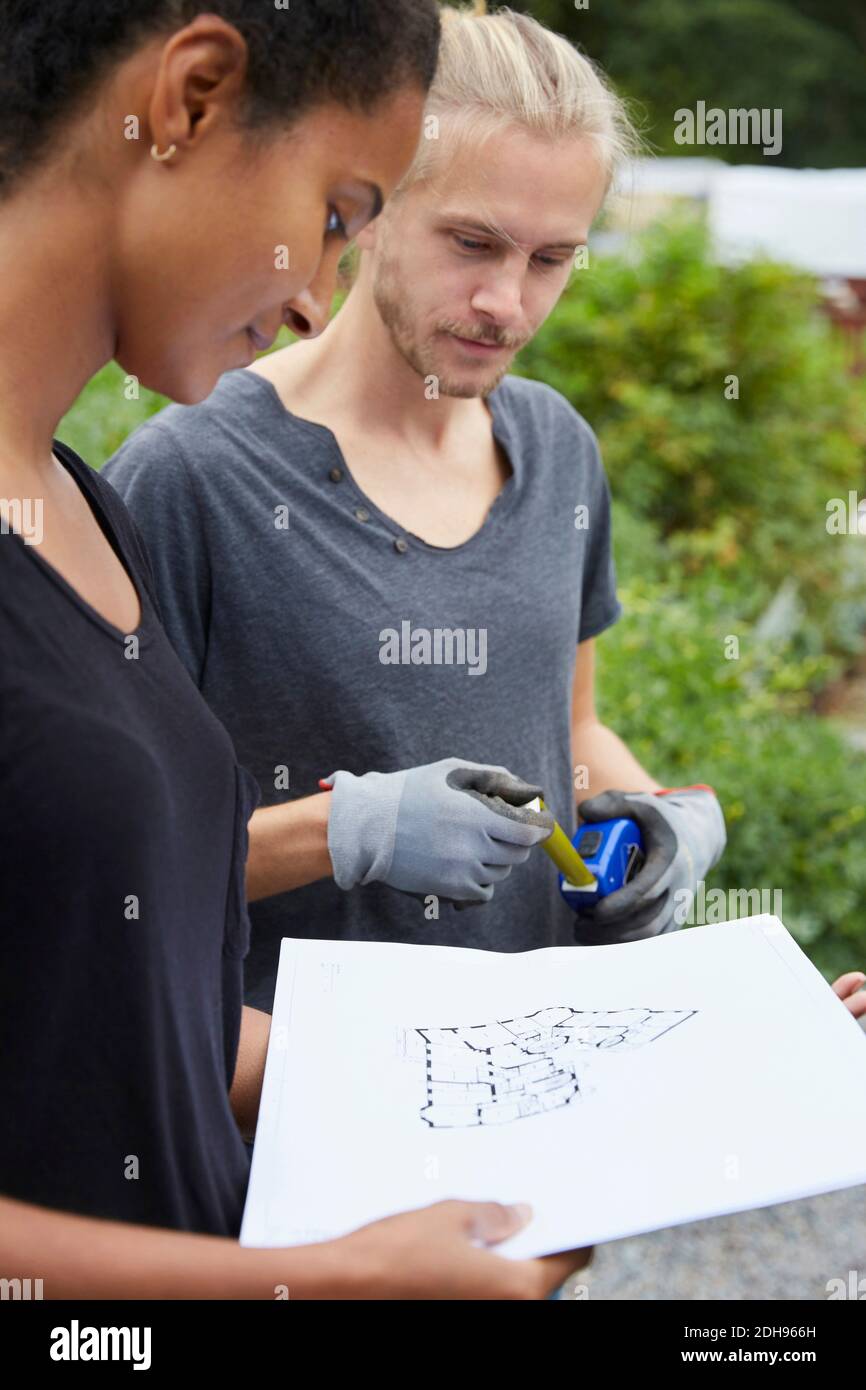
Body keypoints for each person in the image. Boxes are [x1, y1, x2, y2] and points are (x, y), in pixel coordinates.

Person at [0, 0, 587, 1301]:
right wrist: (321, 1281)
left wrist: (550, 1086)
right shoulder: (179, 481)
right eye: (336, 212)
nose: (326, 290)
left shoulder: (83, 511)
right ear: (193, 98)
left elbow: (125, 1015)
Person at [104, 3, 728, 1020]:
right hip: (302, 1106)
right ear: (372, 199)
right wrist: (349, 831)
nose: (506, 303)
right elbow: (110, 876)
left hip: (537, 1070)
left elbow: (568, 727)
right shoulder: (191, 478)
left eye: (550, 258)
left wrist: (657, 821)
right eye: (472, 242)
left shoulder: (556, 449)